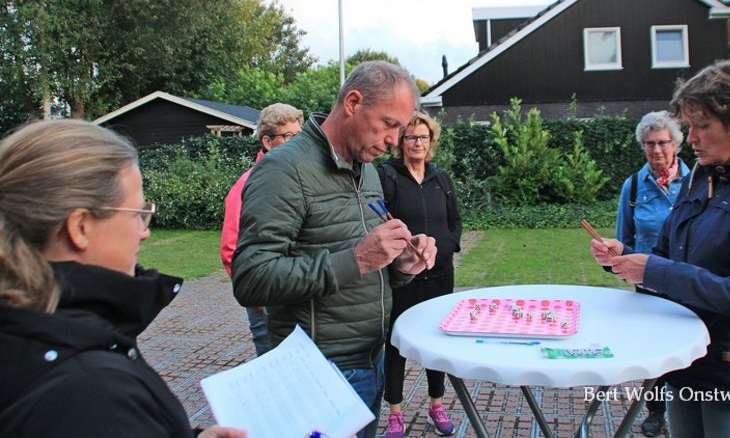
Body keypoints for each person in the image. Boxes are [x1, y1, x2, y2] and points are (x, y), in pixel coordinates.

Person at [590, 60, 730, 438]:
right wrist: (625, 257)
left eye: (702, 126)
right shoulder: (699, 178)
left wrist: (655, 270)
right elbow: (667, 259)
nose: (691, 139)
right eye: (689, 126)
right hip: (686, 360)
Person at [0, 119, 246, 438]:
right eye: (137, 214)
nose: (144, 232)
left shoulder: (27, 328)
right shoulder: (92, 392)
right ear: (80, 227)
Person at [231, 61, 438, 438]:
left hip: (371, 361)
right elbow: (251, 279)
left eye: (401, 129)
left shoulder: (368, 169)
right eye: (389, 124)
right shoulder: (284, 170)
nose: (395, 140)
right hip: (317, 374)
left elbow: (369, 267)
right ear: (353, 103)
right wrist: (356, 259)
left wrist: (402, 265)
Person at [378, 111, 462, 438]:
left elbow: (455, 221)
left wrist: (446, 248)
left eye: (423, 137)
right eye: (411, 137)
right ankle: (395, 413)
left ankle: (436, 405)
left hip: (440, 273)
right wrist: (402, 254)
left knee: (436, 341)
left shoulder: (441, 179)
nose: (417, 143)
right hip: (403, 275)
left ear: (431, 141)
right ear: (401, 142)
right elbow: (379, 222)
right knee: (396, 342)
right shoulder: (387, 176)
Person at [616, 110, 690, 437]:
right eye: (649, 144)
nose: (657, 150)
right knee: (656, 349)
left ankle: (690, 405)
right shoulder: (633, 187)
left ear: (676, 143)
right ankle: (656, 410)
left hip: (690, 280)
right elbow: (624, 239)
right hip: (650, 283)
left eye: (662, 142)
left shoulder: (698, 182)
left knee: (690, 346)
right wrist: (621, 261)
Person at [220, 103, 304, 356]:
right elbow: (231, 249)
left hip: (299, 299)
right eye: (288, 136)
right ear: (267, 141)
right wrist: (263, 299)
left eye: (299, 135)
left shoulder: (299, 178)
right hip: (268, 305)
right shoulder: (247, 185)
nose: (297, 143)